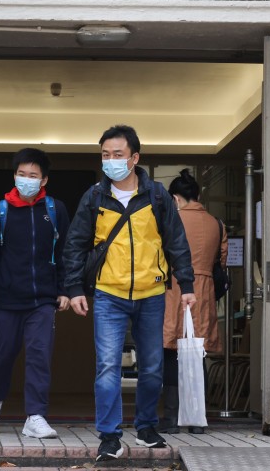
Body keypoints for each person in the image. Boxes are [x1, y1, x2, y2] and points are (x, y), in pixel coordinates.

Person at [63, 125, 195, 462]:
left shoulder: (157, 195)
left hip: (151, 293)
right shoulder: (94, 197)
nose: (110, 161)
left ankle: (147, 427)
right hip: (109, 294)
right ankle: (109, 437)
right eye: (105, 155)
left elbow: (176, 241)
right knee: (108, 367)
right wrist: (75, 288)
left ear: (135, 158)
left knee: (151, 367)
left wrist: (187, 286)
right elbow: (75, 244)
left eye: (117, 155)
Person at [0, 147, 71, 439]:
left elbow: (65, 252)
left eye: (33, 175)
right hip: (6, 298)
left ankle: (35, 416)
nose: (26, 179)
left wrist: (64, 289)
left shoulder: (55, 210)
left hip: (43, 299)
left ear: (44, 181)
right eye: (21, 174)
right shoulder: (1, 210)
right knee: (2, 355)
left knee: (39, 355)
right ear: (15, 176)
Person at [158, 169, 228, 435]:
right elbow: (221, 263)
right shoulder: (216, 223)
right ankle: (198, 419)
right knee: (198, 354)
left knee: (170, 353)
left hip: (174, 288)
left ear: (175, 198)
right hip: (204, 292)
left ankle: (172, 417)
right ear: (197, 196)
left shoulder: (170, 220)